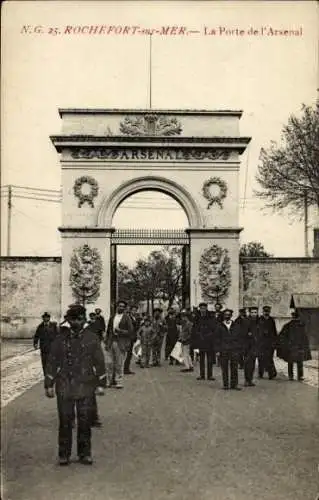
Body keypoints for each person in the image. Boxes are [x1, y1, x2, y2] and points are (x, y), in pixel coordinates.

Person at [44, 304, 106, 466]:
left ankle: (84, 454)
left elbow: (99, 362)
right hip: (64, 385)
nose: (77, 322)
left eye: (80, 319)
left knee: (85, 421)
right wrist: (49, 384)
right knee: (65, 420)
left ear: (84, 320)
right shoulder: (60, 339)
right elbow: (52, 362)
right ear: (68, 320)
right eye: (73, 319)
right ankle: (63, 454)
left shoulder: (92, 338)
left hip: (85, 386)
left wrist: (101, 383)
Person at [105, 300, 134, 388]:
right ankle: (109, 381)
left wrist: (120, 331)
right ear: (116, 306)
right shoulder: (112, 317)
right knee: (109, 363)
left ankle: (118, 381)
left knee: (119, 363)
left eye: (123, 306)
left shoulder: (126, 318)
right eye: (119, 306)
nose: (121, 307)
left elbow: (130, 331)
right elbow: (108, 330)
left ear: (125, 308)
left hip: (120, 342)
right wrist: (107, 341)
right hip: (111, 341)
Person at [277, 310, 311, 381]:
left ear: (292, 317)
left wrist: (286, 344)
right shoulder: (301, 326)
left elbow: (281, 336)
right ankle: (300, 376)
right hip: (298, 347)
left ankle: (291, 376)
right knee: (299, 362)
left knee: (291, 362)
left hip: (291, 347)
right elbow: (305, 338)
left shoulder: (287, 325)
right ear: (298, 317)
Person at [215, 309, 243, 390]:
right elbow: (217, 339)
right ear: (223, 316)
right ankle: (226, 384)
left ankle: (234, 384)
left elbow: (239, 338)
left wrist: (239, 348)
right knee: (224, 368)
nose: (227, 316)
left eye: (229, 314)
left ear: (231, 316)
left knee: (234, 367)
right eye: (226, 314)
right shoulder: (219, 326)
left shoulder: (236, 325)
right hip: (223, 349)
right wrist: (217, 350)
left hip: (234, 349)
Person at [191, 302, 217, 381]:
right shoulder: (197, 317)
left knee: (209, 359)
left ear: (206, 308)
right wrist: (196, 338)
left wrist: (211, 336)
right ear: (199, 309)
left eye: (204, 308)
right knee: (201, 359)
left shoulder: (211, 317)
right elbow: (194, 329)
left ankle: (210, 375)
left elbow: (214, 328)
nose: (203, 310)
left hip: (209, 341)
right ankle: (202, 375)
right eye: (201, 308)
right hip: (200, 340)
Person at [33, 312, 58, 377]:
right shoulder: (40, 326)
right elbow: (36, 335)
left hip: (52, 347)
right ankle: (46, 375)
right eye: (44, 317)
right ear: (43, 318)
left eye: (47, 317)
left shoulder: (54, 326)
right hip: (43, 348)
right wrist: (35, 343)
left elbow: (58, 335)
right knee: (44, 362)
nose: (45, 318)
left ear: (49, 318)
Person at [258, 306, 278, 380]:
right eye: (265, 311)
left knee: (269, 358)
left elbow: (274, 331)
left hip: (270, 343)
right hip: (261, 342)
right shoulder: (259, 320)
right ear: (263, 312)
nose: (266, 313)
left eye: (268, 311)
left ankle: (271, 374)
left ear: (269, 312)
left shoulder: (271, 320)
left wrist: (275, 342)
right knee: (261, 358)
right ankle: (260, 373)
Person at [243, 307, 259, 387]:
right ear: (249, 313)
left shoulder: (259, 321)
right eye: (252, 312)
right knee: (247, 363)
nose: (254, 314)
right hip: (247, 345)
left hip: (255, 345)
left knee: (252, 363)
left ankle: (250, 380)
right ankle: (246, 380)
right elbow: (242, 333)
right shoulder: (246, 321)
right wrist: (248, 334)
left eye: (255, 312)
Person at [124, 305, 141, 375]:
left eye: (135, 310)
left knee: (130, 354)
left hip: (133, 338)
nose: (134, 311)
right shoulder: (128, 318)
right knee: (127, 354)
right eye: (133, 310)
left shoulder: (136, 318)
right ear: (130, 310)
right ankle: (125, 369)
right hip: (128, 338)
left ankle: (126, 368)